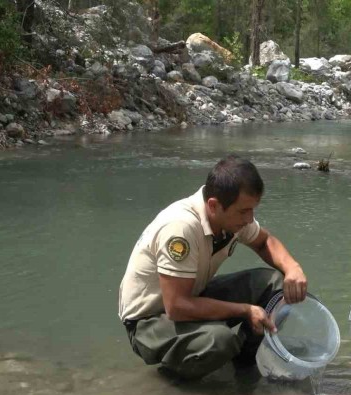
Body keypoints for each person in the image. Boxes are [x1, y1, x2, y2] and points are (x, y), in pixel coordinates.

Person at [118, 155, 307, 380]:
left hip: (191, 295)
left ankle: (244, 364)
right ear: (214, 205)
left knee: (277, 284)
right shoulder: (181, 228)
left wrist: (293, 268)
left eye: (252, 210)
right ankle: (174, 380)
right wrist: (245, 310)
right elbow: (176, 306)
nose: (250, 219)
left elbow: (264, 242)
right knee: (219, 341)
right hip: (149, 322)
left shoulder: (230, 218)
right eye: (243, 211)